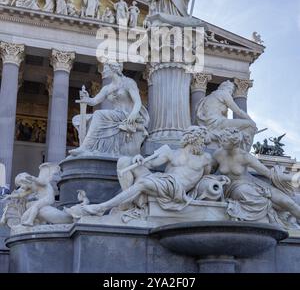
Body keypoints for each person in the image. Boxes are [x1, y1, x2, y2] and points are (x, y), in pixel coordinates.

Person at [75, 126, 215, 217]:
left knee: (143, 183)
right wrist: (138, 158)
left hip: (176, 188)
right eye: (202, 141)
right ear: (194, 139)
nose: (203, 145)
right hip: (164, 180)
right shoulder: (171, 152)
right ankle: (128, 205)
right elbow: (150, 163)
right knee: (125, 161)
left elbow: (206, 179)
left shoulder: (205, 158)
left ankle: (102, 207)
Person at [212, 129, 300, 224]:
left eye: (224, 141)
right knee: (246, 192)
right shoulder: (218, 154)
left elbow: (268, 173)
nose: (221, 142)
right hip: (236, 188)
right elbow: (210, 172)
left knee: (288, 202)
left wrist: (293, 178)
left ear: (233, 143)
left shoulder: (245, 156)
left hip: (254, 183)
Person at [69, 62, 149, 157]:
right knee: (79, 119)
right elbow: (94, 101)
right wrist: (86, 98)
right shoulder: (107, 88)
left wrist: (133, 114)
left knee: (98, 114)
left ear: (114, 69)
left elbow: (138, 102)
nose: (104, 70)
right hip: (116, 115)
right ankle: (92, 148)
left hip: (127, 115)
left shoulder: (128, 83)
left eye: (106, 68)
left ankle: (86, 147)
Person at [196, 80, 257, 148]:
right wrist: (251, 121)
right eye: (231, 90)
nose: (231, 93)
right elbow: (238, 111)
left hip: (209, 123)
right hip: (217, 123)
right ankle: (243, 151)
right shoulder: (224, 93)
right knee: (250, 125)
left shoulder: (209, 97)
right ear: (227, 88)